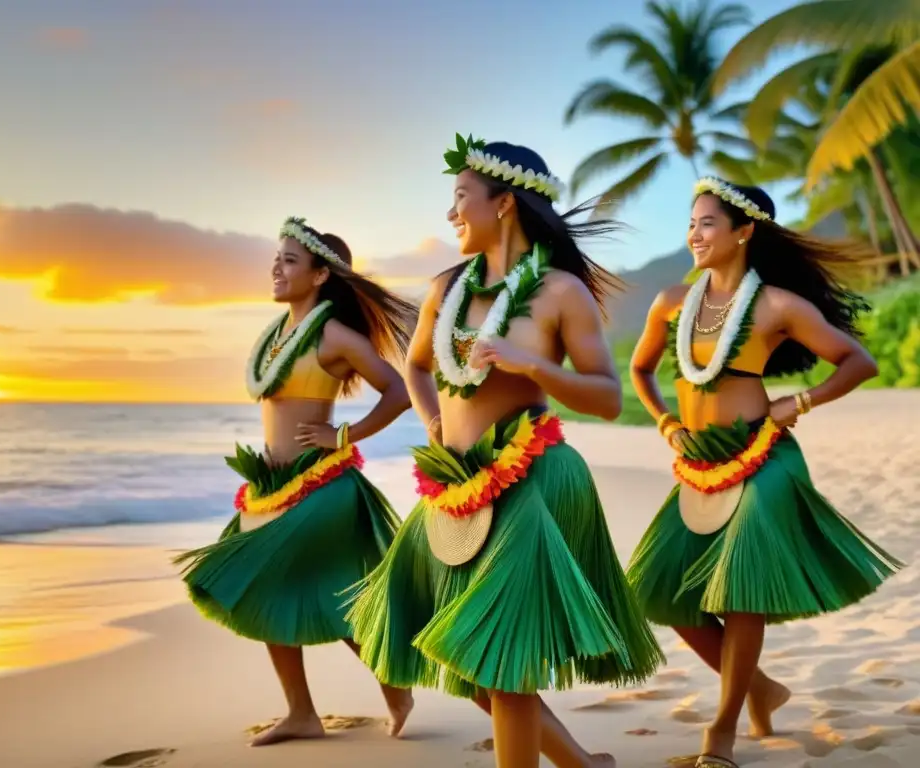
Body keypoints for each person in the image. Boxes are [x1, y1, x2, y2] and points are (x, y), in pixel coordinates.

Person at [345, 134, 665, 768]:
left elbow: (604, 395)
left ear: (506, 204)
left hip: (533, 479)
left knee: (507, 663)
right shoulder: (446, 288)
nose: (450, 212)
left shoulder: (559, 293)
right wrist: (435, 418)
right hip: (456, 484)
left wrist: (533, 366)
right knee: (468, 651)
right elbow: (414, 367)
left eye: (461, 196)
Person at [625, 178, 902, 768]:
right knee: (663, 595)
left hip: (763, 458)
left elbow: (859, 362)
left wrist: (798, 402)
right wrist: (666, 424)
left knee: (741, 592)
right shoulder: (673, 301)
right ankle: (759, 688)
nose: (693, 234)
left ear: (743, 231)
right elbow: (641, 370)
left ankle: (722, 730)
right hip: (699, 460)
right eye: (691, 223)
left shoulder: (776, 305)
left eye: (706, 223)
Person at [175, 216, 418, 746]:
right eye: (276, 258)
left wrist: (344, 434)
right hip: (269, 487)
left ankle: (394, 686)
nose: (276, 268)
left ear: (320, 275)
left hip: (322, 485)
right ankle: (303, 713)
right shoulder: (276, 336)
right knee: (270, 590)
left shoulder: (333, 333)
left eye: (289, 260)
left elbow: (398, 390)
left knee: (330, 595)